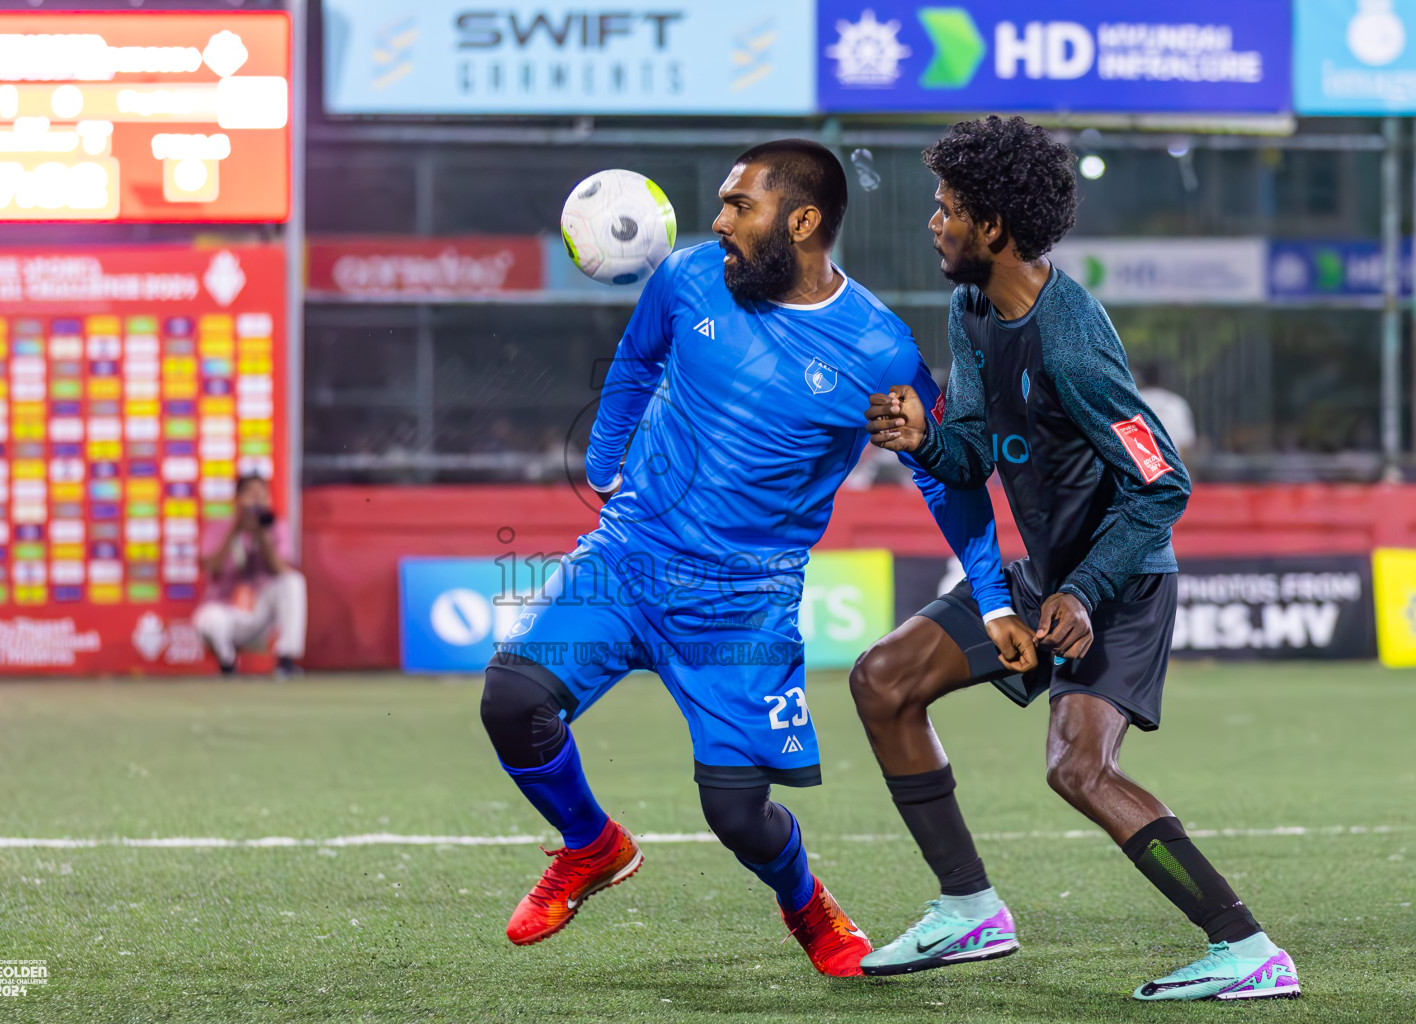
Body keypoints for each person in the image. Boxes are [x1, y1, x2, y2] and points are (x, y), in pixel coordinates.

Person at [479, 139, 1027, 976]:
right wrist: (605, 465)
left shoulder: (877, 351)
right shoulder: (687, 278)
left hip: (742, 603)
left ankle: (804, 901)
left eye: (741, 206)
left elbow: (946, 481)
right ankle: (590, 846)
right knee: (513, 697)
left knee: (738, 814)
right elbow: (633, 364)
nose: (718, 220)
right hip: (628, 559)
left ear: (802, 222)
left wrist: (991, 597)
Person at [852, 116, 1299, 1001]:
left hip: (1124, 580)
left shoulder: (1073, 342)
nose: (932, 224)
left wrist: (1090, 591)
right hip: (1053, 577)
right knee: (883, 679)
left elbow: (1162, 484)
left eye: (946, 211)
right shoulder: (972, 306)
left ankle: (1246, 947)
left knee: (1077, 767)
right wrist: (924, 438)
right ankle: (968, 907)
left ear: (994, 228)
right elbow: (974, 449)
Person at [193, 473, 306, 679]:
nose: (257, 501)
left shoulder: (275, 526)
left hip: (259, 610)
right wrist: (235, 529)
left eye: (262, 496)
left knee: (293, 581)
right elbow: (212, 567)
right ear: (237, 498)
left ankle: (286, 659)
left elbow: (279, 570)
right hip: (227, 609)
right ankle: (227, 663)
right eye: (251, 495)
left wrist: (262, 536)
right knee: (207, 620)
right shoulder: (221, 526)